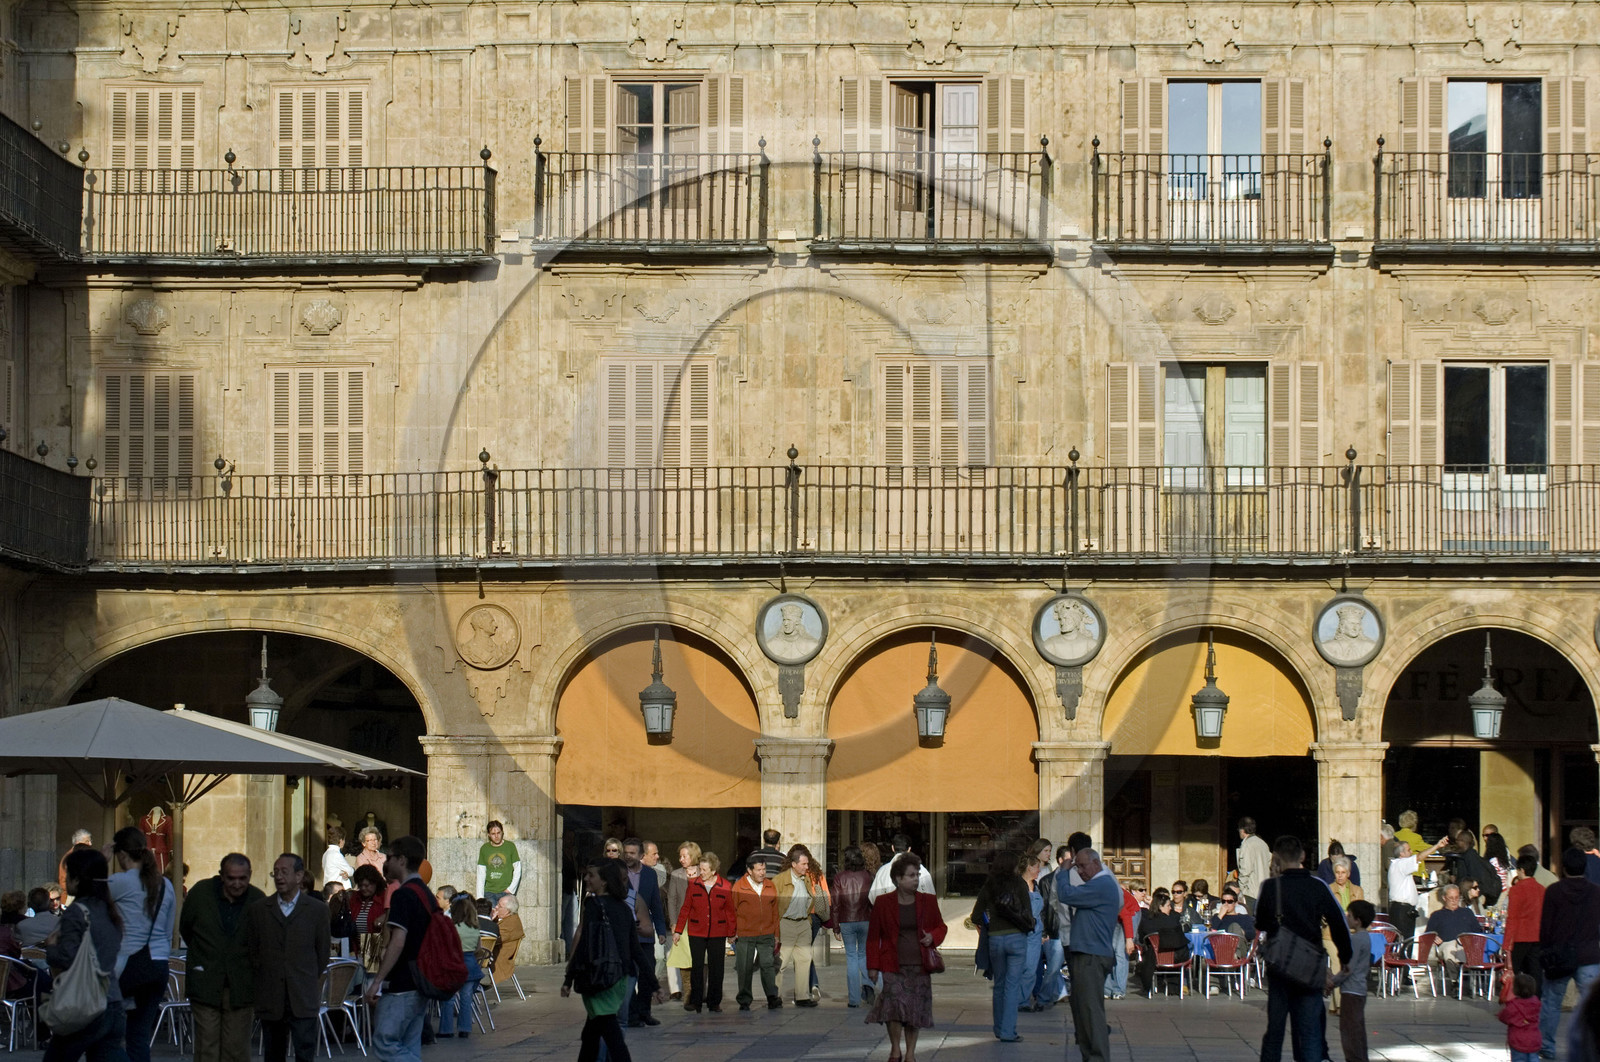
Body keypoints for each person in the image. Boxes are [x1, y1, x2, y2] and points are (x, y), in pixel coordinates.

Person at [1255, 835, 1352, 1062]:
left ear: (1276, 858)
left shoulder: (1270, 887)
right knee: (1309, 1032)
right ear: (1302, 856)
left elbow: (1260, 923)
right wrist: (1345, 957)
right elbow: (1338, 922)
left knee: (1275, 1031)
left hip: (1280, 965)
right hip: (1310, 965)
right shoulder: (1318, 886)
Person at [247, 854, 331, 1062]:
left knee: (305, 1052)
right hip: (271, 996)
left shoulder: (317, 910)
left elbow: (322, 953)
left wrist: (306, 975)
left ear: (299, 876)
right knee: (273, 1053)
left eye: (284, 872)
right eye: (275, 872)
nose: (279, 877)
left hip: (303, 995)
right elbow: (253, 950)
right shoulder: (260, 910)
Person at [43, 847, 124, 1062]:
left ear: (78, 879)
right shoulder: (110, 910)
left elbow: (67, 958)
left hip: (85, 1003)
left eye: (68, 875)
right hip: (112, 1000)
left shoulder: (77, 912)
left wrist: (51, 947)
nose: (64, 880)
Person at [182, 854, 266, 1062]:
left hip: (241, 984)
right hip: (206, 981)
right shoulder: (200, 894)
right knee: (207, 1047)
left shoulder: (257, 900)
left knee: (236, 1049)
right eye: (231, 878)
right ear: (221, 876)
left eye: (242, 878)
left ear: (250, 875)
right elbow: (186, 928)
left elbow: (262, 942)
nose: (237, 884)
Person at [866, 854, 946, 1062]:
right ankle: (895, 1049)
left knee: (914, 1011)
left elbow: (941, 927)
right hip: (892, 964)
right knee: (893, 1009)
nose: (916, 879)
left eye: (917, 875)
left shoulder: (927, 901)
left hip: (920, 965)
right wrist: (873, 966)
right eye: (911, 875)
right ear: (898, 879)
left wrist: (933, 937)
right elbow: (873, 937)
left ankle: (910, 1053)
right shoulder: (883, 903)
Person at [365, 836, 436, 1062]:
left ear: (402, 860)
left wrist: (377, 980)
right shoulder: (426, 893)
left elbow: (397, 941)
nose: (386, 862)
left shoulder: (403, 894)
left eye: (390, 857)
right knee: (409, 1044)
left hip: (403, 982)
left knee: (384, 1042)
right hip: (420, 979)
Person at [108, 826, 176, 1062]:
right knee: (139, 1035)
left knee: (106, 1031)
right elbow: (168, 930)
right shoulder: (166, 885)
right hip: (158, 965)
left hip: (129, 963)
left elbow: (87, 897)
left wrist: (100, 861)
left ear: (121, 855)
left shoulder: (119, 881)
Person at [562, 858, 635, 1062]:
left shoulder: (593, 905)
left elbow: (584, 943)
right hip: (617, 976)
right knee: (591, 1033)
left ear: (603, 881)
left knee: (609, 1030)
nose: (586, 878)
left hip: (599, 976)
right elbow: (634, 948)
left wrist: (569, 978)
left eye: (590, 875)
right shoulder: (623, 907)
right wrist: (652, 983)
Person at [1056, 847, 1120, 1062]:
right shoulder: (1098, 885)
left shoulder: (1102, 884)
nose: (1080, 871)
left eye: (1083, 866)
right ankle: (1090, 1055)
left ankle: (1097, 1057)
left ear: (1096, 863)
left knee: (1091, 1011)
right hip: (1087, 954)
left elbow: (1066, 894)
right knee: (1084, 1010)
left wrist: (1064, 871)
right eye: (1077, 867)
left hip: (1091, 955)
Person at [1537, 848, 1600, 1058]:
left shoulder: (1554, 891)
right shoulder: (1596, 892)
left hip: (1559, 956)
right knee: (1594, 1004)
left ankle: (1547, 1046)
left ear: (1563, 868)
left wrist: (1545, 951)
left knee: (1551, 1003)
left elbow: (1546, 927)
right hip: (1589, 955)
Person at [971, 852, 1032, 1042]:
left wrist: (989, 923)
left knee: (999, 985)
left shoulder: (989, 886)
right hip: (1017, 939)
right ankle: (1008, 1031)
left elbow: (975, 916)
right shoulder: (1020, 884)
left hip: (996, 939)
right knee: (1012, 986)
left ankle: (998, 1028)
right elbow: (1028, 912)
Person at [673, 851, 733, 1012]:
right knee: (697, 967)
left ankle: (714, 1002)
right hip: (697, 931)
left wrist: (732, 933)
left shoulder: (725, 886)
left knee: (717, 968)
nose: (701, 872)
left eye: (705, 870)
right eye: (700, 869)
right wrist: (678, 930)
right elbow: (686, 908)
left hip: (717, 932)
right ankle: (696, 1001)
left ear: (713, 870)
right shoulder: (693, 884)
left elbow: (730, 911)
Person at [773, 844, 830, 1007]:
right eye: (804, 864)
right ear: (794, 864)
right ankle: (775, 995)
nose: (807, 867)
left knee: (804, 960)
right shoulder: (780, 880)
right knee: (781, 961)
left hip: (804, 922)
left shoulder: (807, 878)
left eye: (807, 863)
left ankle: (802, 996)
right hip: (787, 923)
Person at [619, 838, 666, 1026]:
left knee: (647, 973)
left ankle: (644, 1011)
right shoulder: (618, 872)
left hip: (645, 933)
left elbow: (655, 903)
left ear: (640, 855)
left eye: (632, 853)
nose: (628, 856)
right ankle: (631, 1015)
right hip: (625, 933)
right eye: (626, 852)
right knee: (629, 974)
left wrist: (660, 930)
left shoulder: (650, 874)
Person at [730, 857, 781, 1011]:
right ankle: (744, 1000)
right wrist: (732, 932)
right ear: (749, 871)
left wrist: (776, 934)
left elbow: (775, 912)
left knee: (768, 965)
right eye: (759, 870)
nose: (762, 873)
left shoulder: (770, 885)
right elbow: (732, 911)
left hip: (766, 933)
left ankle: (772, 997)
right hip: (745, 934)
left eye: (764, 869)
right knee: (744, 967)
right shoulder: (739, 887)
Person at [1328, 899, 1375, 1062]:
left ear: (1358, 920)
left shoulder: (1356, 940)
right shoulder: (1366, 937)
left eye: (1349, 915)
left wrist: (1333, 981)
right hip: (1359, 989)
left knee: (1350, 1030)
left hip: (1351, 990)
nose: (1347, 918)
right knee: (1357, 1029)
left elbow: (1348, 968)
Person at [830, 845, 874, 1007]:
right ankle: (869, 987)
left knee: (851, 957)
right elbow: (873, 899)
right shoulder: (868, 876)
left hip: (847, 920)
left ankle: (854, 999)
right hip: (865, 919)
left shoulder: (840, 877)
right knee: (863, 955)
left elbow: (835, 904)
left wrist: (835, 927)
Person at [1387, 835, 1447, 944]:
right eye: (1409, 850)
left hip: (1405, 910)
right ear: (1401, 853)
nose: (1411, 852)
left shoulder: (1399, 865)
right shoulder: (1401, 864)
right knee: (1403, 943)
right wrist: (1437, 846)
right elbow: (1419, 857)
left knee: (1406, 943)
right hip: (1401, 910)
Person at [439, 895, 483, 1039]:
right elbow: (478, 949)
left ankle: (446, 1030)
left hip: (454, 964)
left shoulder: (451, 928)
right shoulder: (474, 929)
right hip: (470, 964)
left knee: (448, 999)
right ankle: (465, 1028)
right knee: (466, 999)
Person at [1503, 852, 1547, 995]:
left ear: (1521, 870)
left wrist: (1506, 944)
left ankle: (1517, 999)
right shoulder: (1542, 889)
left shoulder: (1516, 890)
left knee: (1515, 970)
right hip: (1538, 935)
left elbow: (1512, 918)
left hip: (1520, 936)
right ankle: (1535, 999)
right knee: (1535, 972)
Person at [1424, 884, 1480, 993]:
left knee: (1458, 948)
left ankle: (1457, 979)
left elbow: (1477, 931)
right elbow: (1427, 935)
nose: (1454, 901)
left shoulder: (1467, 913)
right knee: (1450, 948)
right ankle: (1456, 980)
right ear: (1444, 898)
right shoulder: (1437, 915)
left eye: (1457, 897)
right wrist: (1434, 937)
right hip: (1445, 945)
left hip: (1464, 945)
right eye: (1451, 898)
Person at [1325, 856, 1363, 1013]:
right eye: (1337, 872)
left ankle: (1334, 1006)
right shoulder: (1328, 889)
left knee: (1349, 967)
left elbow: (1361, 913)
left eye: (1343, 872)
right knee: (1337, 964)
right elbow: (1324, 913)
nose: (1340, 876)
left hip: (1351, 933)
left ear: (1348, 873)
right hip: (1330, 933)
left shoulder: (1357, 890)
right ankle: (1341, 1005)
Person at [1135, 887, 1189, 996]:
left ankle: (1158, 983)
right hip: (1174, 957)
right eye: (1168, 906)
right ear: (1160, 907)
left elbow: (1141, 939)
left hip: (1154, 957)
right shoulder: (1173, 921)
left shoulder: (1147, 920)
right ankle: (1179, 984)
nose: (1170, 908)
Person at [664, 842, 701, 1001]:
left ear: (693, 856)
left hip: (700, 922)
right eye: (680, 856)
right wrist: (673, 922)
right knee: (683, 957)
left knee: (700, 957)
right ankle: (688, 992)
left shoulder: (704, 872)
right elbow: (671, 899)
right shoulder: (676, 874)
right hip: (682, 922)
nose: (681, 859)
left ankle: (700, 990)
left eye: (684, 856)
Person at [1017, 851, 1052, 1011]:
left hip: (1036, 933)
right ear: (1029, 868)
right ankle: (1017, 1000)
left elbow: (1042, 912)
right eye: (1037, 867)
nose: (1039, 870)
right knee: (1019, 967)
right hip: (1021, 931)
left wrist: (1044, 932)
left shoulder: (1037, 886)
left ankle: (1024, 1000)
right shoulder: (1017, 886)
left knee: (1031, 969)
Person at [869, 835, 936, 901]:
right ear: (909, 849)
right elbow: (930, 896)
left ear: (892, 848)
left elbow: (873, 898)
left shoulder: (882, 872)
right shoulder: (922, 870)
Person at [348, 865, 387, 972]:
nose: (363, 889)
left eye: (367, 885)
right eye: (360, 885)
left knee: (371, 979)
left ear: (375, 883)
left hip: (375, 948)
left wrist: (385, 917)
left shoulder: (384, 897)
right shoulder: (355, 898)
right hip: (357, 949)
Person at [475, 821, 521, 905]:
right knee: (491, 913)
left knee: (506, 913)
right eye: (493, 834)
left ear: (502, 832)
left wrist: (510, 889)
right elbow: (481, 873)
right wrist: (480, 898)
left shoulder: (510, 846)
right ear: (489, 835)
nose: (496, 836)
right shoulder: (484, 848)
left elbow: (517, 869)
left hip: (506, 892)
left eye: (498, 833)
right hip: (489, 892)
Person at [1499, 972, 1542, 1062]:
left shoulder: (1512, 1006)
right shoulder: (1536, 1003)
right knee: (1534, 1057)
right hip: (1534, 1038)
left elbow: (1503, 1017)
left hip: (1517, 1039)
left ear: (1515, 989)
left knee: (1518, 1059)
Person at [490, 894, 525, 990]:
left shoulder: (510, 924)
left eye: (500, 906)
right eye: (497, 904)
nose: (496, 907)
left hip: (498, 957)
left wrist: (490, 922)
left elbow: (493, 938)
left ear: (508, 911)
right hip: (494, 952)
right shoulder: (507, 919)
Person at [1236, 817, 1272, 907]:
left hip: (1251, 893)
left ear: (1242, 830)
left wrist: (1240, 890)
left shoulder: (1247, 845)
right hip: (1264, 890)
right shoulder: (1263, 843)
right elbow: (1270, 863)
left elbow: (1245, 870)